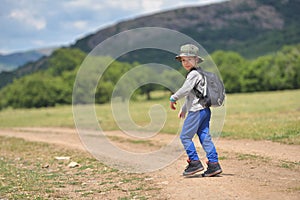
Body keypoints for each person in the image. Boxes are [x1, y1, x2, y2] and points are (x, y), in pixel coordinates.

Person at [169, 44, 222, 177]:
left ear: (196, 60)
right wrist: (184, 109)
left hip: (197, 112)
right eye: (183, 60)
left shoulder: (193, 74)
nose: (186, 63)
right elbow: (193, 95)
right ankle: (214, 164)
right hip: (204, 110)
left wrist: (173, 97)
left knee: (185, 137)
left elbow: (186, 90)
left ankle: (194, 162)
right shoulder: (200, 74)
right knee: (205, 137)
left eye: (189, 59)